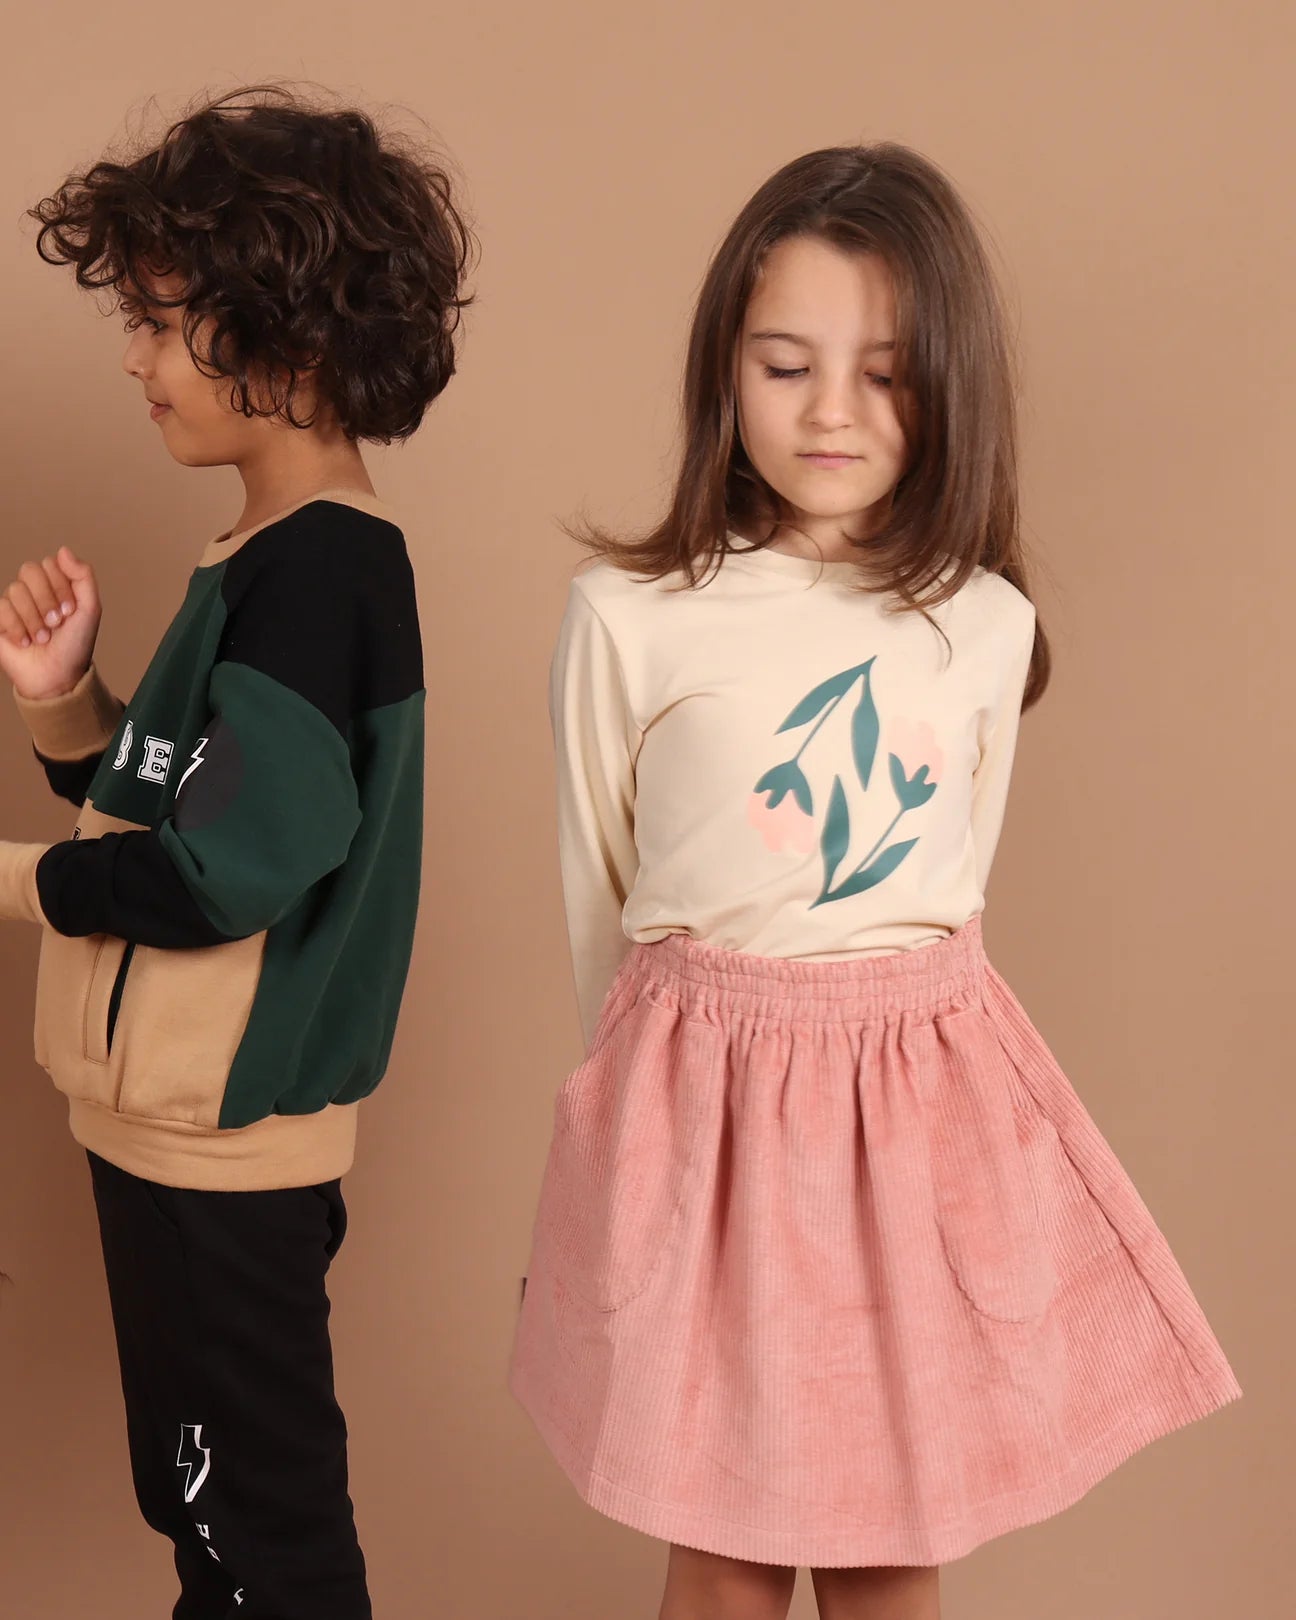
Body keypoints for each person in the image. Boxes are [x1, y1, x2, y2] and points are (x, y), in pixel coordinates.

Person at [509, 145, 1240, 1620]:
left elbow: (956, 900)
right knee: (718, 1549)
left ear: (948, 387)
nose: (831, 410)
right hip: (699, 1119)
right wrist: (631, 1144)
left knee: (892, 1547)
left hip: (910, 1122)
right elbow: (603, 905)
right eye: (786, 366)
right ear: (725, 371)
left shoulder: (983, 624)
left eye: (886, 375)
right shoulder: (632, 617)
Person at [0, 86, 471, 1620]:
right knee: (214, 1531)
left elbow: (221, 878)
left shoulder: (322, 574)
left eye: (159, 321)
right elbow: (178, 810)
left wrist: (10, 880)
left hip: (220, 1153)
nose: (133, 359)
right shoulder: (265, 561)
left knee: (259, 1543)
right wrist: (69, 701)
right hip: (165, 1140)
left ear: (294, 336)